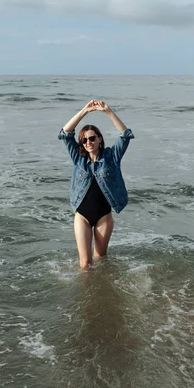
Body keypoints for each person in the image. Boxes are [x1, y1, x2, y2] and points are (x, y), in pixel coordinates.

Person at [58, 100, 135, 269]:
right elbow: (65, 132)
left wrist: (108, 112)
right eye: (84, 140)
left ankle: (101, 292)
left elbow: (126, 135)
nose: (88, 142)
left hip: (104, 217)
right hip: (82, 216)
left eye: (92, 138)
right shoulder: (78, 158)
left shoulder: (112, 157)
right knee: (85, 264)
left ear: (100, 139)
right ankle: (86, 294)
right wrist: (84, 111)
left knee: (100, 258)